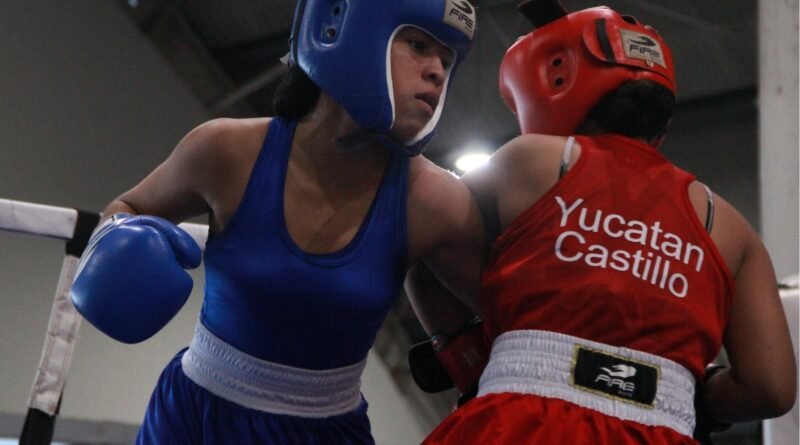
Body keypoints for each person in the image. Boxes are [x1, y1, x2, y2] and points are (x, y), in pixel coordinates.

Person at [69, 0, 485, 443]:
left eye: (446, 59)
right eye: (418, 45)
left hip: (323, 431)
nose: (438, 73)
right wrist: (118, 239)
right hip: (192, 417)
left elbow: (519, 317)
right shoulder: (226, 151)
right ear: (341, 30)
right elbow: (127, 207)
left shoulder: (434, 202)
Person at [416, 1, 797, 444]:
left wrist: (471, 356)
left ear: (553, 80)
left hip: (520, 420)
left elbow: (427, 234)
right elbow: (771, 388)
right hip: (662, 430)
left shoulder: (531, 161)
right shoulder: (729, 227)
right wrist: (699, 397)